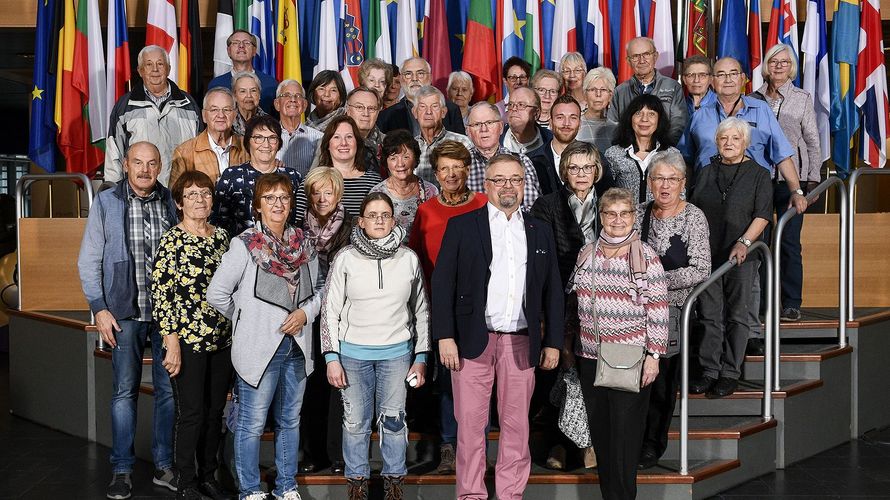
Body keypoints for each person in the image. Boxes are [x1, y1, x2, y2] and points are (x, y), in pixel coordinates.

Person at [431, 154, 563, 500]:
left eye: (515, 179)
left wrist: (553, 342)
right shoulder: (463, 226)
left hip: (521, 342)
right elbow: (442, 284)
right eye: (500, 179)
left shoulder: (539, 231)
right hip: (472, 341)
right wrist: (445, 336)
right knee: (471, 427)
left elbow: (552, 290)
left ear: (524, 185)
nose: (508, 186)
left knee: (517, 428)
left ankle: (510, 495)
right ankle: (471, 495)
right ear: (486, 185)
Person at [207, 173, 320, 500]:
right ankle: (250, 490)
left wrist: (304, 314)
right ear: (258, 206)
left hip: (297, 348)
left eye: (283, 198)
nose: (277, 204)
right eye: (269, 198)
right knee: (252, 424)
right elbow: (217, 294)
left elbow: (320, 291)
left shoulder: (304, 244)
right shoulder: (244, 245)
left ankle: (286, 487)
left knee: (289, 422)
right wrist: (246, 319)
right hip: (259, 349)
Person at [78, 142, 179, 499]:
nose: (145, 170)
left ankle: (164, 467)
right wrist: (99, 308)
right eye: (138, 162)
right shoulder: (107, 203)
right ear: (125, 165)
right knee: (124, 393)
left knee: (169, 393)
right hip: (124, 315)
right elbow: (88, 260)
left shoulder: (172, 202)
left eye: (152, 163)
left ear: (160, 166)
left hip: (167, 317)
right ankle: (121, 470)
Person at [321, 192, 431, 500]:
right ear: (361, 221)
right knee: (355, 421)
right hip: (352, 354)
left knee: (394, 419)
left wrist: (421, 356)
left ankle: (394, 480)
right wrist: (331, 357)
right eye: (373, 215)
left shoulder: (408, 258)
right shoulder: (345, 258)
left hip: (396, 354)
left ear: (394, 220)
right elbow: (329, 309)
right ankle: (357, 481)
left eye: (385, 215)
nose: (379, 220)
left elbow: (421, 309)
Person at [566, 187, 669, 500]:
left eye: (624, 213)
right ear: (601, 216)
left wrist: (654, 355)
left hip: (630, 357)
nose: (617, 220)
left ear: (634, 217)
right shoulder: (587, 252)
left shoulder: (646, 258)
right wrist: (569, 346)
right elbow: (572, 302)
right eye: (610, 213)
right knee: (602, 436)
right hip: (589, 356)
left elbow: (659, 309)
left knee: (624, 438)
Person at [150, 171, 233, 500]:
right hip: (188, 341)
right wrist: (171, 342)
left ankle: (208, 475)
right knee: (193, 413)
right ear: (179, 202)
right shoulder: (172, 239)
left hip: (222, 339)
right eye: (192, 194)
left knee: (215, 414)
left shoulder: (223, 237)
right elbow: (162, 295)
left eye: (205, 193)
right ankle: (185, 481)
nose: (200, 200)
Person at [408, 141, 488, 474]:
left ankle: (476, 450)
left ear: (468, 169)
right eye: (445, 168)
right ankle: (448, 446)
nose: (452, 174)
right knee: (444, 381)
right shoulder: (426, 210)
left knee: (478, 383)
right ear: (436, 173)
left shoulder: (485, 204)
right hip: (439, 306)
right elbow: (416, 261)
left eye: (458, 166)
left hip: (479, 309)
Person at [529, 141, 604, 470]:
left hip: (601, 302)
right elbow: (543, 258)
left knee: (589, 373)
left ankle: (581, 444)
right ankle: (562, 445)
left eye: (588, 167)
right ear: (564, 172)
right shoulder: (546, 205)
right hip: (559, 298)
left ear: (597, 170)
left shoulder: (611, 203)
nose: (581, 174)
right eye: (574, 167)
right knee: (561, 370)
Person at [634, 151, 711, 470]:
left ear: (683, 183)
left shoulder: (694, 216)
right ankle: (630, 439)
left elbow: (701, 268)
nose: (664, 186)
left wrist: (654, 281)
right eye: (658, 178)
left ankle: (653, 443)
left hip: (673, 311)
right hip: (634, 311)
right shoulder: (637, 213)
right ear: (649, 183)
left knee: (662, 382)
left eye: (672, 179)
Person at [689, 118, 772, 399]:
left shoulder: (759, 174)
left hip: (740, 256)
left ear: (745, 143)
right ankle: (710, 371)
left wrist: (745, 241)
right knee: (710, 316)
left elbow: (762, 214)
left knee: (737, 315)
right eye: (724, 138)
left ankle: (729, 373)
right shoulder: (705, 170)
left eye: (735, 138)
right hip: (706, 254)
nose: (729, 143)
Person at [753, 43, 823, 323]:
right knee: (760, 242)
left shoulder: (802, 98)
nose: (779, 66)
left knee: (789, 243)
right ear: (766, 66)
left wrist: (812, 180)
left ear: (791, 66)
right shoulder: (753, 99)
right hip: (759, 180)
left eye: (784, 62)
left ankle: (791, 303)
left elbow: (812, 141)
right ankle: (762, 302)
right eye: (774, 61)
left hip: (792, 181)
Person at [297, 167, 354, 475]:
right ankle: (312, 452)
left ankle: (338, 456)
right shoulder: (297, 229)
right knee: (311, 386)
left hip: (341, 317)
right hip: (307, 316)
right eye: (316, 192)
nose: (321, 198)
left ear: (338, 195)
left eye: (328, 192)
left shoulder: (351, 227)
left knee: (338, 387)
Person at [105, 45, 202, 186]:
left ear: (168, 69)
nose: (155, 69)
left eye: (160, 64)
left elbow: (201, 151)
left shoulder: (189, 104)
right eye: (149, 64)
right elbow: (114, 153)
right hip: (140, 193)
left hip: (182, 192)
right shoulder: (125, 106)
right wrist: (113, 194)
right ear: (140, 71)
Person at [211, 115, 303, 237]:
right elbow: (217, 223)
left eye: (272, 138)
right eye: (258, 138)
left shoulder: (292, 176)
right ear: (248, 141)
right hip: (241, 251)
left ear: (279, 143)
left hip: (285, 250)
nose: (266, 144)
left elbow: (299, 221)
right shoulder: (231, 176)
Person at [296, 115, 382, 219]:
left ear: (357, 143)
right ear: (328, 144)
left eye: (349, 137)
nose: (344, 143)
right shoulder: (311, 181)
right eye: (336, 137)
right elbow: (299, 224)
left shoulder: (374, 182)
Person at [608, 37, 688, 145]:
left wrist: (660, 149)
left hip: (664, 154)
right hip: (628, 154)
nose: (642, 60)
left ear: (655, 56)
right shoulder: (619, 91)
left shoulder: (673, 87)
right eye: (635, 56)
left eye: (646, 54)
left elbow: (678, 124)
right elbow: (613, 127)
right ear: (628, 61)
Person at [603, 95, 681, 202]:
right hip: (623, 217)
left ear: (659, 120)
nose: (644, 119)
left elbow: (680, 195)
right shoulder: (613, 154)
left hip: (661, 217)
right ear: (630, 118)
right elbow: (605, 196)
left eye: (651, 114)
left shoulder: (672, 154)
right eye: (638, 113)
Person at [464, 102, 541, 211]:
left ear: (500, 127)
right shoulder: (460, 164)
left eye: (489, 122)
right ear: (468, 131)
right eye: (477, 124)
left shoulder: (521, 161)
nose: (484, 129)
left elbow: (532, 208)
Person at [170, 88, 249, 187]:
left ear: (234, 115)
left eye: (227, 110)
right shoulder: (184, 152)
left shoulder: (248, 147)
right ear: (204, 116)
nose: (221, 115)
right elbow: (175, 197)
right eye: (214, 110)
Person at [370, 130, 439, 239]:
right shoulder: (377, 193)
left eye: (406, 157)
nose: (400, 164)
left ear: (415, 159)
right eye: (393, 158)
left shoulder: (430, 191)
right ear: (386, 163)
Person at [376, 56, 466, 135]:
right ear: (401, 80)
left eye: (420, 73)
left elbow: (461, 149)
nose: (414, 79)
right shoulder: (385, 116)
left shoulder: (451, 109)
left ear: (430, 77)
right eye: (408, 74)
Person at [310, 87, 385, 175]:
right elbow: (313, 179)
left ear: (378, 112)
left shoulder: (387, 142)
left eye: (371, 108)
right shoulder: (331, 140)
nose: (366, 113)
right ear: (348, 110)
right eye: (359, 107)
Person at [412, 85, 475, 184]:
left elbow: (472, 184)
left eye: (435, 106)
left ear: (443, 112)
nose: (428, 112)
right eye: (422, 107)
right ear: (415, 112)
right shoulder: (410, 147)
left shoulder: (463, 143)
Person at [207, 30, 278, 112]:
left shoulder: (270, 84)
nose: (241, 46)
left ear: (254, 51)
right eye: (236, 43)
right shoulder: (216, 85)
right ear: (228, 51)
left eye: (247, 43)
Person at [527, 94, 583, 196]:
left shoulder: (596, 159)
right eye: (560, 117)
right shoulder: (531, 161)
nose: (566, 123)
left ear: (580, 124)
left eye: (573, 118)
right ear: (551, 123)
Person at [274, 79, 324, 177]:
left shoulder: (319, 138)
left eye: (298, 96)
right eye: (287, 95)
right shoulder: (266, 139)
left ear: (305, 105)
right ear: (277, 104)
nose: (293, 99)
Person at [501, 86, 553, 154]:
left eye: (521, 105)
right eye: (510, 104)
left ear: (536, 113)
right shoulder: (495, 138)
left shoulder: (551, 141)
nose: (514, 109)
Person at [577, 67, 619, 154]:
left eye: (603, 90)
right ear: (585, 95)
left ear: (610, 96)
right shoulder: (575, 125)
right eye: (593, 90)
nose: (598, 94)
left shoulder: (617, 129)